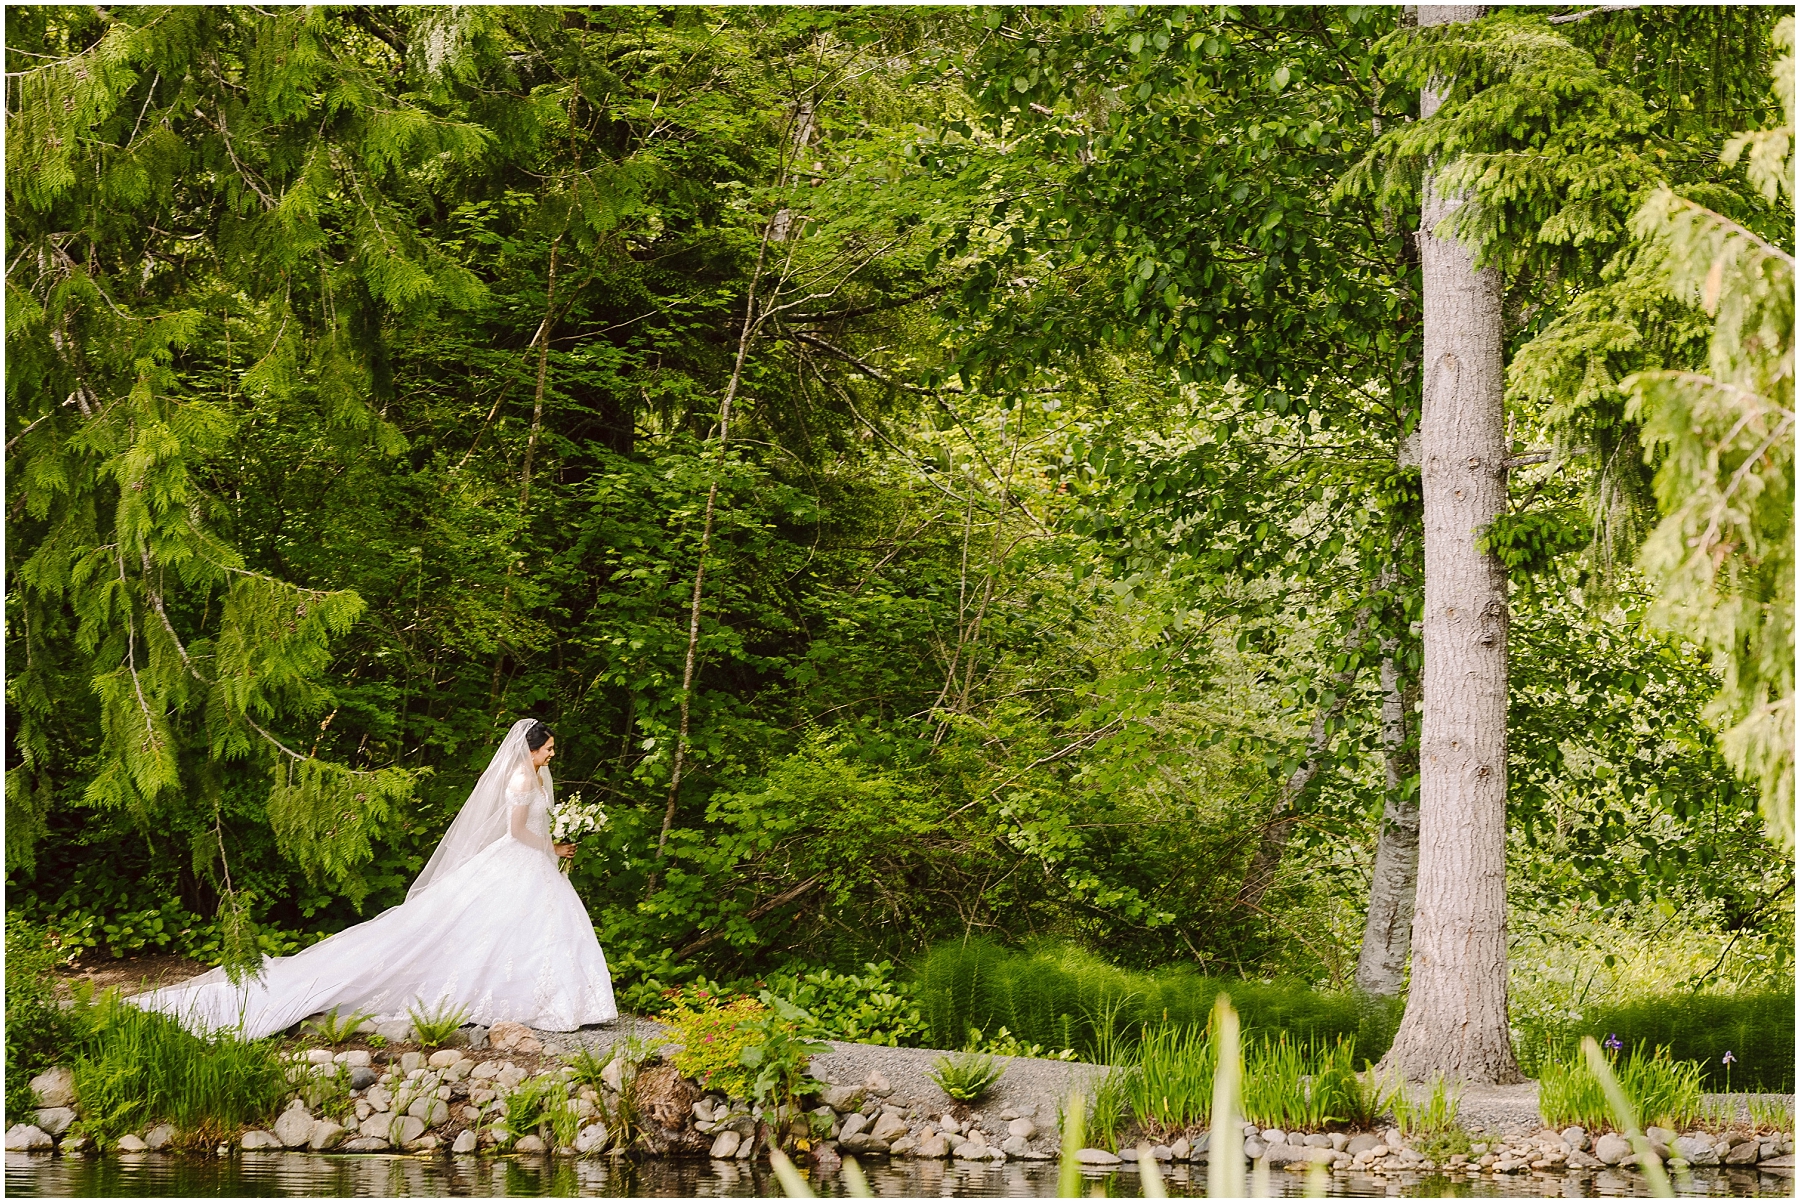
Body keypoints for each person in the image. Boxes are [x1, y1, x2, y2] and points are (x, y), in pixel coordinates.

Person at [132, 718, 617, 1039]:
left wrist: (557, 841)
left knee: (527, 933)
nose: (552, 755)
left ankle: (557, 1002)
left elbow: (534, 827)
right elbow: (515, 831)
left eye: (552, 749)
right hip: (519, 860)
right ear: (531, 749)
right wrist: (553, 847)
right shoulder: (521, 778)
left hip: (532, 865)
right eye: (548, 748)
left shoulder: (539, 777)